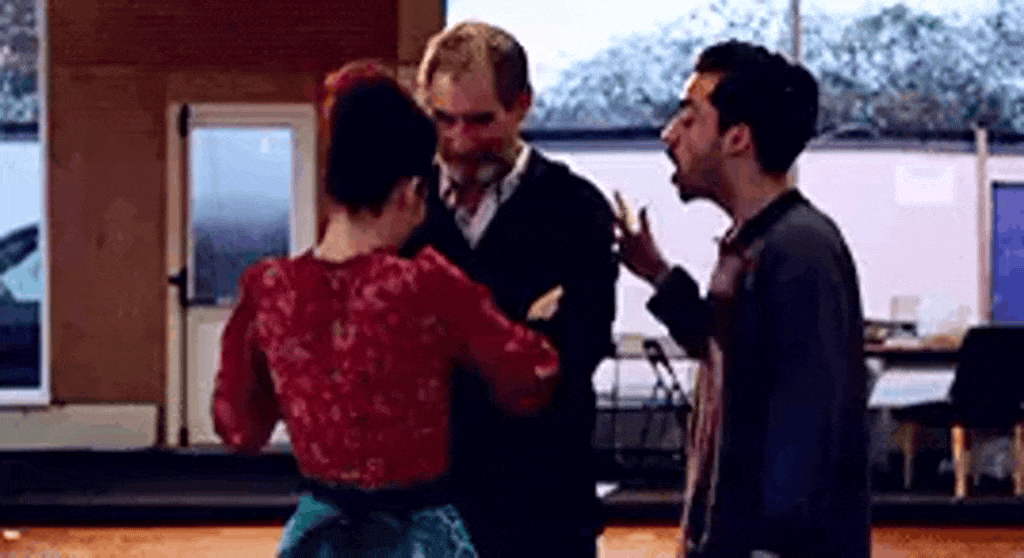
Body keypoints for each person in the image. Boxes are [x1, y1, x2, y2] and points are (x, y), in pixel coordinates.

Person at [211, 61, 563, 558]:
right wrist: (536, 321)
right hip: (416, 536)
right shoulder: (425, 285)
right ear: (412, 192)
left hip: (319, 535)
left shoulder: (269, 290)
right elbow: (531, 379)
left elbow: (240, 429)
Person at [615, 40, 870, 557]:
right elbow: (727, 349)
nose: (669, 134)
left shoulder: (800, 249)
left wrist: (769, 547)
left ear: (737, 138)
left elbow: (806, 421)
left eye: (689, 118)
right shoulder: (754, 242)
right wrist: (659, 275)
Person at [400, 20, 619, 558]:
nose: (459, 140)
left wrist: (450, 345)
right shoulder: (403, 209)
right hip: (430, 509)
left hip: (544, 509)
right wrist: (520, 330)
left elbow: (576, 355)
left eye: (480, 121)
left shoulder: (575, 209)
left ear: (522, 105)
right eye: (443, 119)